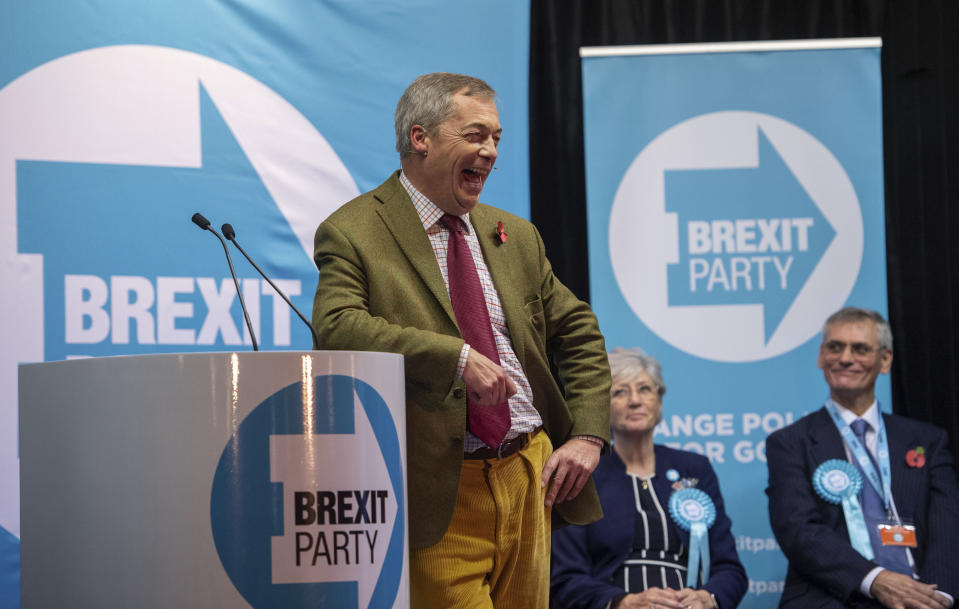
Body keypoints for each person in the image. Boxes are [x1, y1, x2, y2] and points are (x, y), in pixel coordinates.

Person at [311, 72, 612, 609]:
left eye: (496, 137)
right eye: (475, 135)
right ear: (421, 138)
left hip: (530, 474)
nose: (491, 151)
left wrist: (588, 435)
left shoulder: (515, 234)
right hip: (441, 486)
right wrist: (455, 358)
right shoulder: (354, 230)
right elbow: (336, 326)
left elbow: (579, 331)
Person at [766, 306, 959, 608]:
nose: (845, 358)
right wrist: (875, 579)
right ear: (820, 357)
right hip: (833, 596)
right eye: (835, 347)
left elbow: (948, 527)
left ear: (885, 360)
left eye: (860, 349)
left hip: (922, 593)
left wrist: (938, 597)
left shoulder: (927, 441)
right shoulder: (790, 442)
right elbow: (797, 530)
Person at [551, 347, 747, 609]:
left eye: (644, 389)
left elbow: (730, 569)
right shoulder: (585, 472)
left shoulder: (695, 468)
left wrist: (706, 597)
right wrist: (623, 602)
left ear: (659, 401)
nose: (635, 400)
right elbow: (564, 578)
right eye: (620, 391)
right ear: (603, 406)